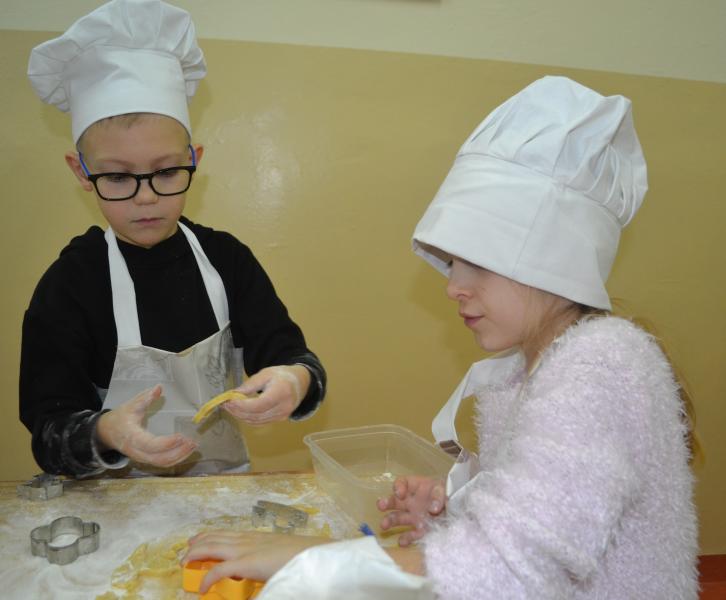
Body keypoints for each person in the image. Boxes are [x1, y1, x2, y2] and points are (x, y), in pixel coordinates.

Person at [183, 76, 698, 599]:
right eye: (452, 263)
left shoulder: (601, 365)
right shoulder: (537, 366)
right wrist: (457, 511)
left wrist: (304, 556)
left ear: (552, 259)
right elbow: (544, 519)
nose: (453, 286)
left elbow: (512, 570)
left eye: (477, 262)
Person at [20, 0, 326, 478]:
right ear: (81, 172)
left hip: (217, 493)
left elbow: (293, 357)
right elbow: (49, 433)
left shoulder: (226, 260)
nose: (145, 198)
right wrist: (106, 432)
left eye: (166, 172)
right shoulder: (72, 282)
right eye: (117, 177)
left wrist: (294, 380)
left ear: (194, 159)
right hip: (114, 502)